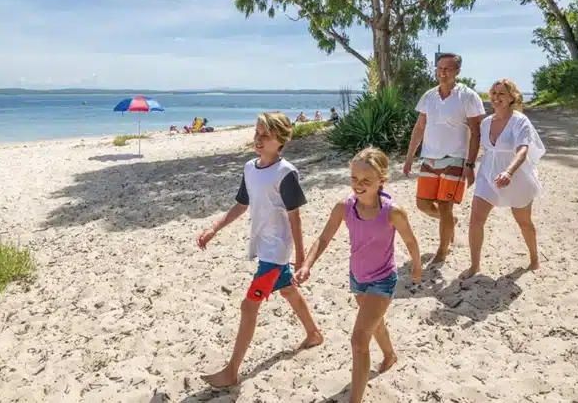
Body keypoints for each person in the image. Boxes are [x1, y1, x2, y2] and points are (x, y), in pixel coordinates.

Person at [197, 112, 323, 387]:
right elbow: (242, 204)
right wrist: (215, 228)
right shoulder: (249, 168)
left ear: (281, 140)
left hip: (276, 252)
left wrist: (302, 259)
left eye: (265, 135)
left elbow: (295, 217)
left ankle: (232, 372)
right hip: (262, 244)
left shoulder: (286, 173)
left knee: (248, 305)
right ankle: (313, 333)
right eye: (257, 133)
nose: (258, 139)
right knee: (288, 289)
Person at [295, 147, 423, 403]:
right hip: (357, 279)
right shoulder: (344, 207)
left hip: (383, 280)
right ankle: (390, 355)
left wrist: (417, 266)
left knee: (358, 340)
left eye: (366, 181)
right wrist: (307, 264)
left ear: (381, 182)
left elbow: (411, 241)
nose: (358, 185)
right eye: (354, 179)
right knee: (375, 324)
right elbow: (323, 237)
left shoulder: (392, 212)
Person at [402, 52, 485, 264]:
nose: (443, 72)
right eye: (439, 68)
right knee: (423, 204)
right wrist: (410, 157)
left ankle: (442, 249)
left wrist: (470, 164)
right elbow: (419, 127)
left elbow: (476, 132)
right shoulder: (429, 96)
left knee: (445, 204)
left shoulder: (468, 96)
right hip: (429, 157)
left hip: (455, 158)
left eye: (448, 68)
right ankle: (450, 222)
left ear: (457, 71)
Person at [465, 78, 545, 278]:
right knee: (475, 220)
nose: (496, 97)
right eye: (493, 93)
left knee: (524, 222)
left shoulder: (520, 121)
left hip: (516, 178)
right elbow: (481, 147)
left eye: (501, 94)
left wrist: (509, 172)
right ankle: (475, 265)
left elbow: (523, 150)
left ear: (512, 98)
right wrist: (468, 166)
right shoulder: (485, 123)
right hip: (488, 176)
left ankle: (534, 258)